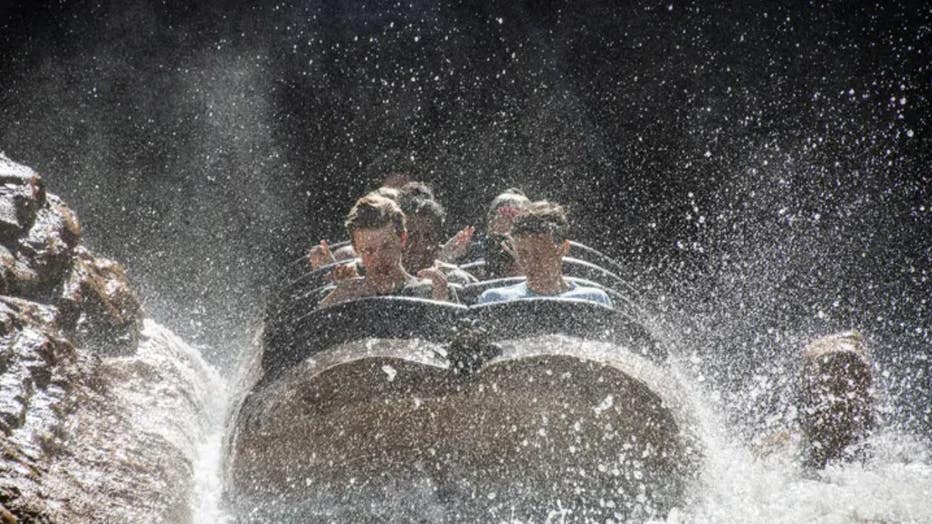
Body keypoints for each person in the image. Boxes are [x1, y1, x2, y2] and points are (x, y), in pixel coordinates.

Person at [319, 195, 457, 307]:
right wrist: (333, 302)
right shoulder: (342, 297)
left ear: (402, 239)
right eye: (368, 250)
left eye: (386, 247)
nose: (379, 258)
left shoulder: (432, 291)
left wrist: (441, 304)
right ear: (355, 249)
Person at [477, 201, 612, 307]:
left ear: (563, 248)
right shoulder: (494, 300)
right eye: (523, 254)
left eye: (539, 254)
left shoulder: (594, 300)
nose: (530, 263)